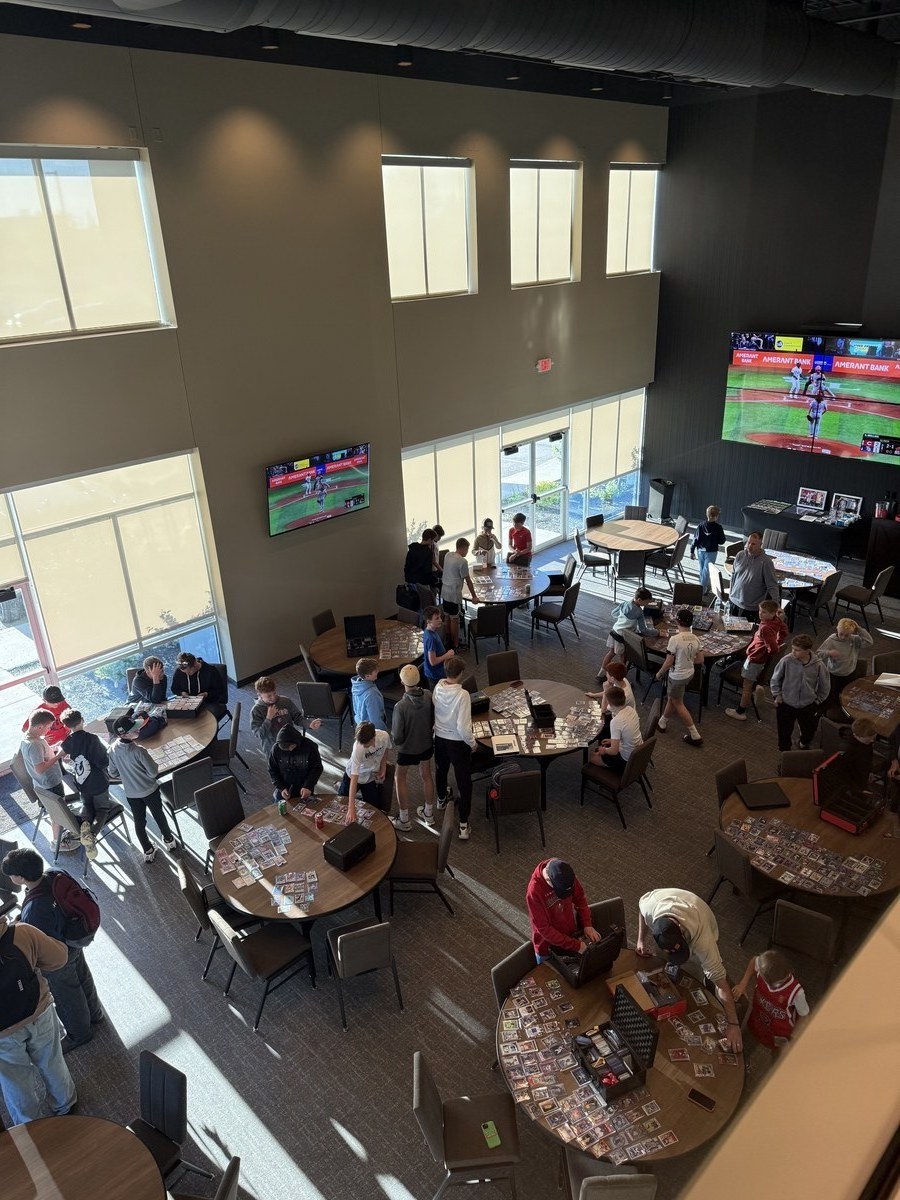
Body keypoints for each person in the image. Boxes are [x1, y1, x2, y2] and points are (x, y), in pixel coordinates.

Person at [2, 848, 105, 1053]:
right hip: (74, 937)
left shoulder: (35, 910)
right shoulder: (54, 872)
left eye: (12, 875)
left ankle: (79, 1034)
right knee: (83, 977)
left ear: (21, 878)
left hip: (59, 953)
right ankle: (96, 1014)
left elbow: (39, 940)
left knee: (67, 993)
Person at [636, 888, 743, 1053]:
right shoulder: (651, 905)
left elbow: (720, 983)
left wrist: (733, 1024)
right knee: (666, 974)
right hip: (668, 909)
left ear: (683, 933)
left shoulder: (703, 940)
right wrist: (641, 940)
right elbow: (642, 912)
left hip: (701, 922)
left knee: (697, 979)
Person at [0, 911, 76, 1124]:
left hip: (2, 1036)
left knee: (15, 1080)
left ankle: (30, 1124)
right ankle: (65, 1103)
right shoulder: (21, 933)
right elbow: (60, 957)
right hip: (37, 1010)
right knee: (51, 1059)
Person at [107, 714, 179, 863]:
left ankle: (147, 849)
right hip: (150, 790)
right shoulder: (139, 751)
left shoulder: (112, 749)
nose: (138, 729)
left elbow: (112, 772)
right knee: (159, 815)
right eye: (134, 729)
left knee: (139, 821)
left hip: (131, 793)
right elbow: (153, 772)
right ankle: (169, 840)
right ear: (124, 734)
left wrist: (127, 773)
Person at [525, 858, 603, 964]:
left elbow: (580, 899)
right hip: (547, 948)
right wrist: (575, 945)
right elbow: (544, 929)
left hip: (570, 937)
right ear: (548, 880)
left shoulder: (565, 874)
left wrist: (587, 924)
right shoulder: (534, 892)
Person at [20, 710, 77, 854]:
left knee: (56, 813)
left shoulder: (29, 740)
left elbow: (40, 757)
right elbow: (39, 768)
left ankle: (59, 837)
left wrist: (53, 748)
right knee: (58, 814)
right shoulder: (35, 744)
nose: (49, 729)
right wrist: (59, 756)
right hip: (50, 784)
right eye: (48, 727)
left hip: (43, 784)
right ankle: (58, 842)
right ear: (39, 727)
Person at [433, 656, 476, 840]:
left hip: (440, 739)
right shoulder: (462, 695)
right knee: (464, 781)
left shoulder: (437, 687)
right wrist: (472, 743)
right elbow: (463, 727)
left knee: (441, 770)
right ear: (459, 674)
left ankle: (441, 799)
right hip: (457, 742)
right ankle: (464, 824)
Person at [734, 949, 809, 1054]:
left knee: (779, 1057)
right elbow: (754, 960)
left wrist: (794, 1037)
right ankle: (744, 1063)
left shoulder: (796, 992)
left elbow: (804, 1015)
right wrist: (743, 984)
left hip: (779, 1034)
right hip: (757, 1022)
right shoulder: (764, 964)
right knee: (744, 1047)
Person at [60, 709, 111, 861]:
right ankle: (91, 835)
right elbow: (103, 762)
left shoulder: (67, 742)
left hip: (82, 782)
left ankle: (85, 823)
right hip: (98, 782)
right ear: (82, 719)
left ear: (66, 726)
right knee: (102, 809)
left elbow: (69, 757)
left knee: (87, 806)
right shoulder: (93, 739)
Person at [725, 599, 788, 721]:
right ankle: (757, 689)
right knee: (749, 683)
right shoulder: (777, 621)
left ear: (772, 613)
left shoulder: (765, 628)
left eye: (764, 612)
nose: (760, 614)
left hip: (755, 660)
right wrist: (777, 641)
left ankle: (740, 711)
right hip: (759, 659)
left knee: (746, 685)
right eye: (760, 611)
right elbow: (784, 632)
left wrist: (768, 650)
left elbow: (774, 649)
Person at [390, 664, 436, 831]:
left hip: (407, 749)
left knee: (399, 778)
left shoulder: (400, 707)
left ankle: (404, 820)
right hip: (426, 744)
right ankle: (429, 813)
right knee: (426, 775)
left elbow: (397, 736)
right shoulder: (429, 695)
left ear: (402, 682)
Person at [769, 634, 830, 752]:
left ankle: (803, 742)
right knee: (784, 732)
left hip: (808, 705)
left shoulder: (818, 664)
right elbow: (775, 679)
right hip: (786, 703)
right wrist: (777, 695)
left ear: (807, 651)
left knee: (809, 729)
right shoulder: (786, 660)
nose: (793, 652)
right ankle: (784, 752)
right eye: (792, 649)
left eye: (797, 650)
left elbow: (825, 684)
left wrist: (818, 701)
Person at [655, 609, 704, 746]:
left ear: (677, 621)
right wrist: (687, 659)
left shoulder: (675, 639)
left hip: (677, 676)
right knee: (673, 698)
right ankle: (662, 723)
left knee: (678, 703)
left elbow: (669, 662)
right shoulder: (696, 638)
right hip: (689, 674)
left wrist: (659, 674)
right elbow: (700, 660)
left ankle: (695, 735)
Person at [817, 618, 874, 712]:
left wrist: (859, 629)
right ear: (837, 629)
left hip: (850, 673)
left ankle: (845, 711)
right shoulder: (831, 640)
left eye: (847, 635)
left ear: (852, 633)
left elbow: (869, 642)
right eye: (841, 634)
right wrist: (828, 652)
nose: (843, 637)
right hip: (834, 674)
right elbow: (818, 654)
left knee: (847, 695)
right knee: (832, 696)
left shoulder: (855, 639)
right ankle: (829, 713)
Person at [340, 721, 391, 821]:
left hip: (369, 777)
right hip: (352, 776)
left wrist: (383, 767)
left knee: (373, 808)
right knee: (341, 802)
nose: (363, 746)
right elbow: (354, 778)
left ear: (373, 737)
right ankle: (344, 788)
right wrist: (351, 808)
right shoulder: (358, 748)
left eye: (366, 744)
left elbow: (385, 750)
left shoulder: (384, 736)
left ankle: (356, 797)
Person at [600, 586, 658, 674]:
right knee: (624, 657)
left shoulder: (625, 603)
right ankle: (619, 677)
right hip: (622, 637)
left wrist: (624, 620)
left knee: (611, 653)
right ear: (639, 600)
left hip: (614, 631)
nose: (647, 604)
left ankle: (601, 672)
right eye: (646, 602)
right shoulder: (639, 612)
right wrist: (657, 632)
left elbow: (613, 613)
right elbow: (643, 630)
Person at [250, 675, 310, 756]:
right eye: (269, 696)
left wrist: (309, 724)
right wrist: (268, 718)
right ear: (260, 695)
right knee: (277, 768)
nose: (273, 697)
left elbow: (297, 717)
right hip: (272, 748)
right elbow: (259, 734)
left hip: (290, 743)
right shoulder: (256, 711)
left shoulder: (285, 701)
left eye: (274, 693)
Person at [588, 686, 642, 773]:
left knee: (592, 757)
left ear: (610, 703)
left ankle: (612, 770)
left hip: (627, 761)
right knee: (598, 751)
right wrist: (612, 741)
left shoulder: (616, 722)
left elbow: (613, 751)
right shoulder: (631, 710)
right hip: (638, 753)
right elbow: (628, 732)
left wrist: (604, 750)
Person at [728, 531, 780, 619]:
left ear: (760, 545)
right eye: (748, 542)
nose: (749, 546)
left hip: (751, 609)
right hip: (734, 602)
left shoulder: (766, 562)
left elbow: (772, 586)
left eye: (753, 544)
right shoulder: (740, 555)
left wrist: (777, 607)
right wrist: (730, 593)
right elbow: (733, 576)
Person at [268, 724, 323, 804]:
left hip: (304, 786)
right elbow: (273, 770)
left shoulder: (310, 746)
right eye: (286, 749)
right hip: (284, 786)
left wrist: (308, 786)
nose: (290, 750)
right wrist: (281, 788)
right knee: (278, 810)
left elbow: (317, 768)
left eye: (291, 747)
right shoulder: (276, 749)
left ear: (296, 742)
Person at [441, 537, 478, 649]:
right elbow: (468, 580)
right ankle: (456, 644)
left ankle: (448, 640)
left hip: (445, 591)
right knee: (455, 619)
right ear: (464, 548)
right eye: (467, 549)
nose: (467, 552)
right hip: (454, 594)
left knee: (447, 616)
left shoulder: (448, 555)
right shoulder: (462, 561)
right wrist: (474, 596)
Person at [586, 661, 636, 741]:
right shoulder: (622, 680)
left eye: (607, 674)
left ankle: (603, 749)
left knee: (598, 730)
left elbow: (604, 710)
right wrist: (593, 695)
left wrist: (606, 690)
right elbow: (611, 692)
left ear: (612, 678)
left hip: (621, 722)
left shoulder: (623, 695)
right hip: (625, 715)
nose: (606, 675)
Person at [171, 652, 228, 720]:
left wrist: (206, 694)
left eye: (188, 672)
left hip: (208, 701)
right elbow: (174, 688)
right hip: (188, 701)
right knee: (177, 716)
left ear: (195, 664)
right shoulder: (179, 671)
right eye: (184, 672)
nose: (186, 674)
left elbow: (220, 690)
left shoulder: (211, 671)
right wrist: (181, 693)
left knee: (204, 718)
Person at [691, 505, 726, 593]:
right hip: (711, 552)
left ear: (707, 514)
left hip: (700, 551)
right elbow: (722, 541)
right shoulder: (718, 527)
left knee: (702, 569)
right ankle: (701, 591)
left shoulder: (701, 525)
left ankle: (703, 587)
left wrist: (692, 551)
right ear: (717, 516)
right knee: (707, 571)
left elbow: (695, 539)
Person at [350, 658, 388, 731]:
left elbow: (355, 707)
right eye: (375, 671)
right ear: (367, 676)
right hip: (372, 729)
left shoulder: (356, 685)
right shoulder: (372, 694)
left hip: (361, 724)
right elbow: (375, 720)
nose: (378, 671)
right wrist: (383, 732)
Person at [422, 605, 454, 687]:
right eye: (436, 618)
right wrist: (447, 655)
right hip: (435, 674)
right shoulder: (431, 638)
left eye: (440, 617)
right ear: (428, 621)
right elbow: (433, 662)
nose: (440, 620)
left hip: (435, 672)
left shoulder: (430, 631)